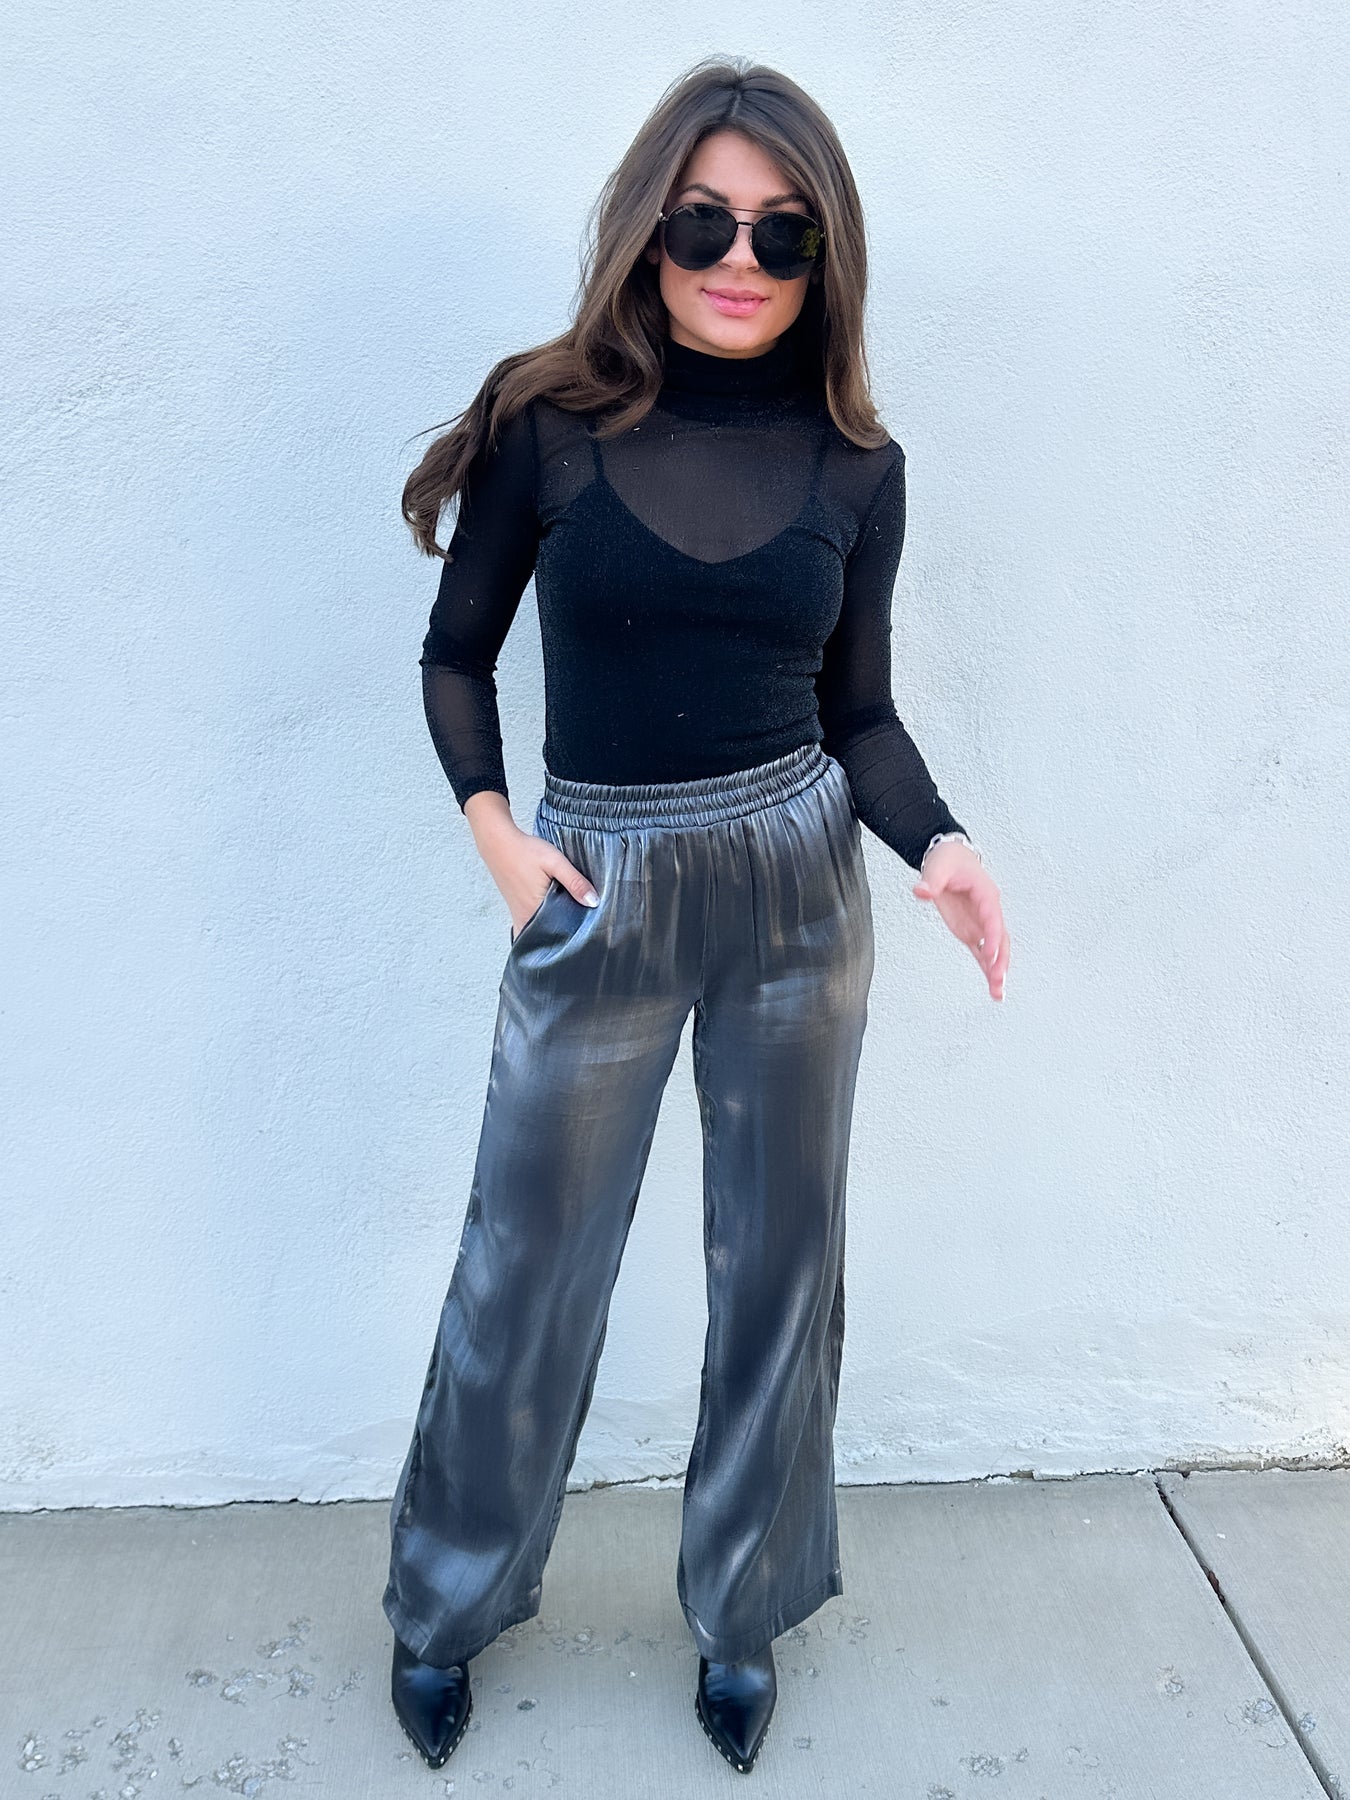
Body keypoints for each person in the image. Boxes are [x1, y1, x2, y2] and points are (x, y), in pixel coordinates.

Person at [382, 56, 1010, 1777]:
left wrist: (938, 843)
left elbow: (858, 712)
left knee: (778, 1263)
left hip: (799, 881)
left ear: (826, 255)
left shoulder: (857, 465)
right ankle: (442, 1603)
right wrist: (499, 836)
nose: (740, 259)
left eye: (782, 232)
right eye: (703, 223)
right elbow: (453, 655)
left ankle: (742, 1612)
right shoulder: (547, 426)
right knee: (527, 1259)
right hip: (597, 879)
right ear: (647, 232)